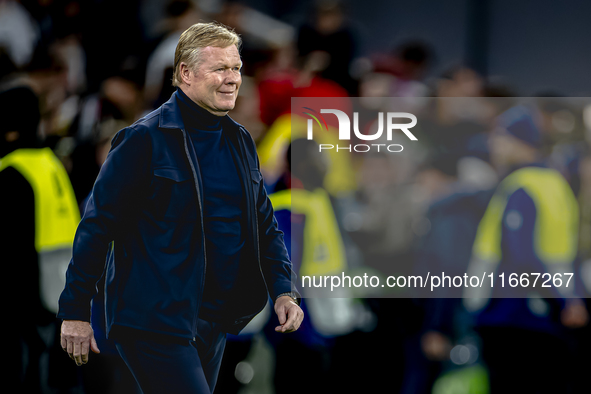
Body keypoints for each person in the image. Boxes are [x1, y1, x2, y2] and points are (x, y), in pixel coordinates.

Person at [57, 22, 303, 394]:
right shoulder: (143, 139)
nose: (232, 78)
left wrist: (283, 289)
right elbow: (97, 227)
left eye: (236, 68)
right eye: (220, 68)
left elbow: (263, 225)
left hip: (213, 320)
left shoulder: (240, 141)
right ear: (185, 73)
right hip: (152, 320)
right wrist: (75, 312)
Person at [464, 105, 588, 393]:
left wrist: (563, 299)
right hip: (545, 313)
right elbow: (567, 252)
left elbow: (521, 254)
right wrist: (571, 298)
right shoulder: (556, 185)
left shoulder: (521, 185)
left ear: (517, 141)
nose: (493, 144)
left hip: (513, 312)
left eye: (499, 136)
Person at [0, 85, 81, 391]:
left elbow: (12, 249)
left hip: (26, 298)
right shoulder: (51, 163)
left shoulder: (12, 172)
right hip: (63, 288)